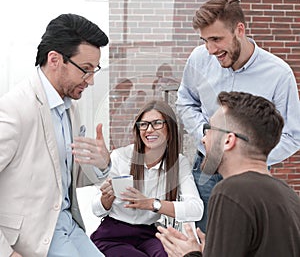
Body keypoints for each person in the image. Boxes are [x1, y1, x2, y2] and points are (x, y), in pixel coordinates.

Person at [176, 0, 300, 233]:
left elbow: (293, 135)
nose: (211, 50)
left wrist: (249, 158)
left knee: (247, 240)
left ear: (239, 30)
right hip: (207, 168)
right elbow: (185, 101)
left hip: (252, 175)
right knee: (205, 238)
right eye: (204, 41)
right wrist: (204, 131)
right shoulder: (199, 59)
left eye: (216, 39)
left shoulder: (279, 74)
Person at [0, 14, 111, 257]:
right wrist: (6, 252)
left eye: (95, 70)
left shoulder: (71, 107)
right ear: (54, 59)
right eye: (85, 70)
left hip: (68, 225)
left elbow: (65, 177)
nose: (91, 81)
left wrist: (102, 164)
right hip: (33, 235)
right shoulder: (15, 109)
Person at [157, 91, 300, 257]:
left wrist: (189, 255)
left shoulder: (231, 191)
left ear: (228, 140)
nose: (203, 139)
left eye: (208, 129)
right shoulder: (288, 194)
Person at [90, 100, 204, 257]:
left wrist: (151, 204)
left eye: (157, 123)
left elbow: (196, 209)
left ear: (169, 128)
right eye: (143, 124)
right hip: (113, 234)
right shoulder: (120, 157)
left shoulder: (179, 163)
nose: (149, 130)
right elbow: (96, 209)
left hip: (149, 233)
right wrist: (106, 199)